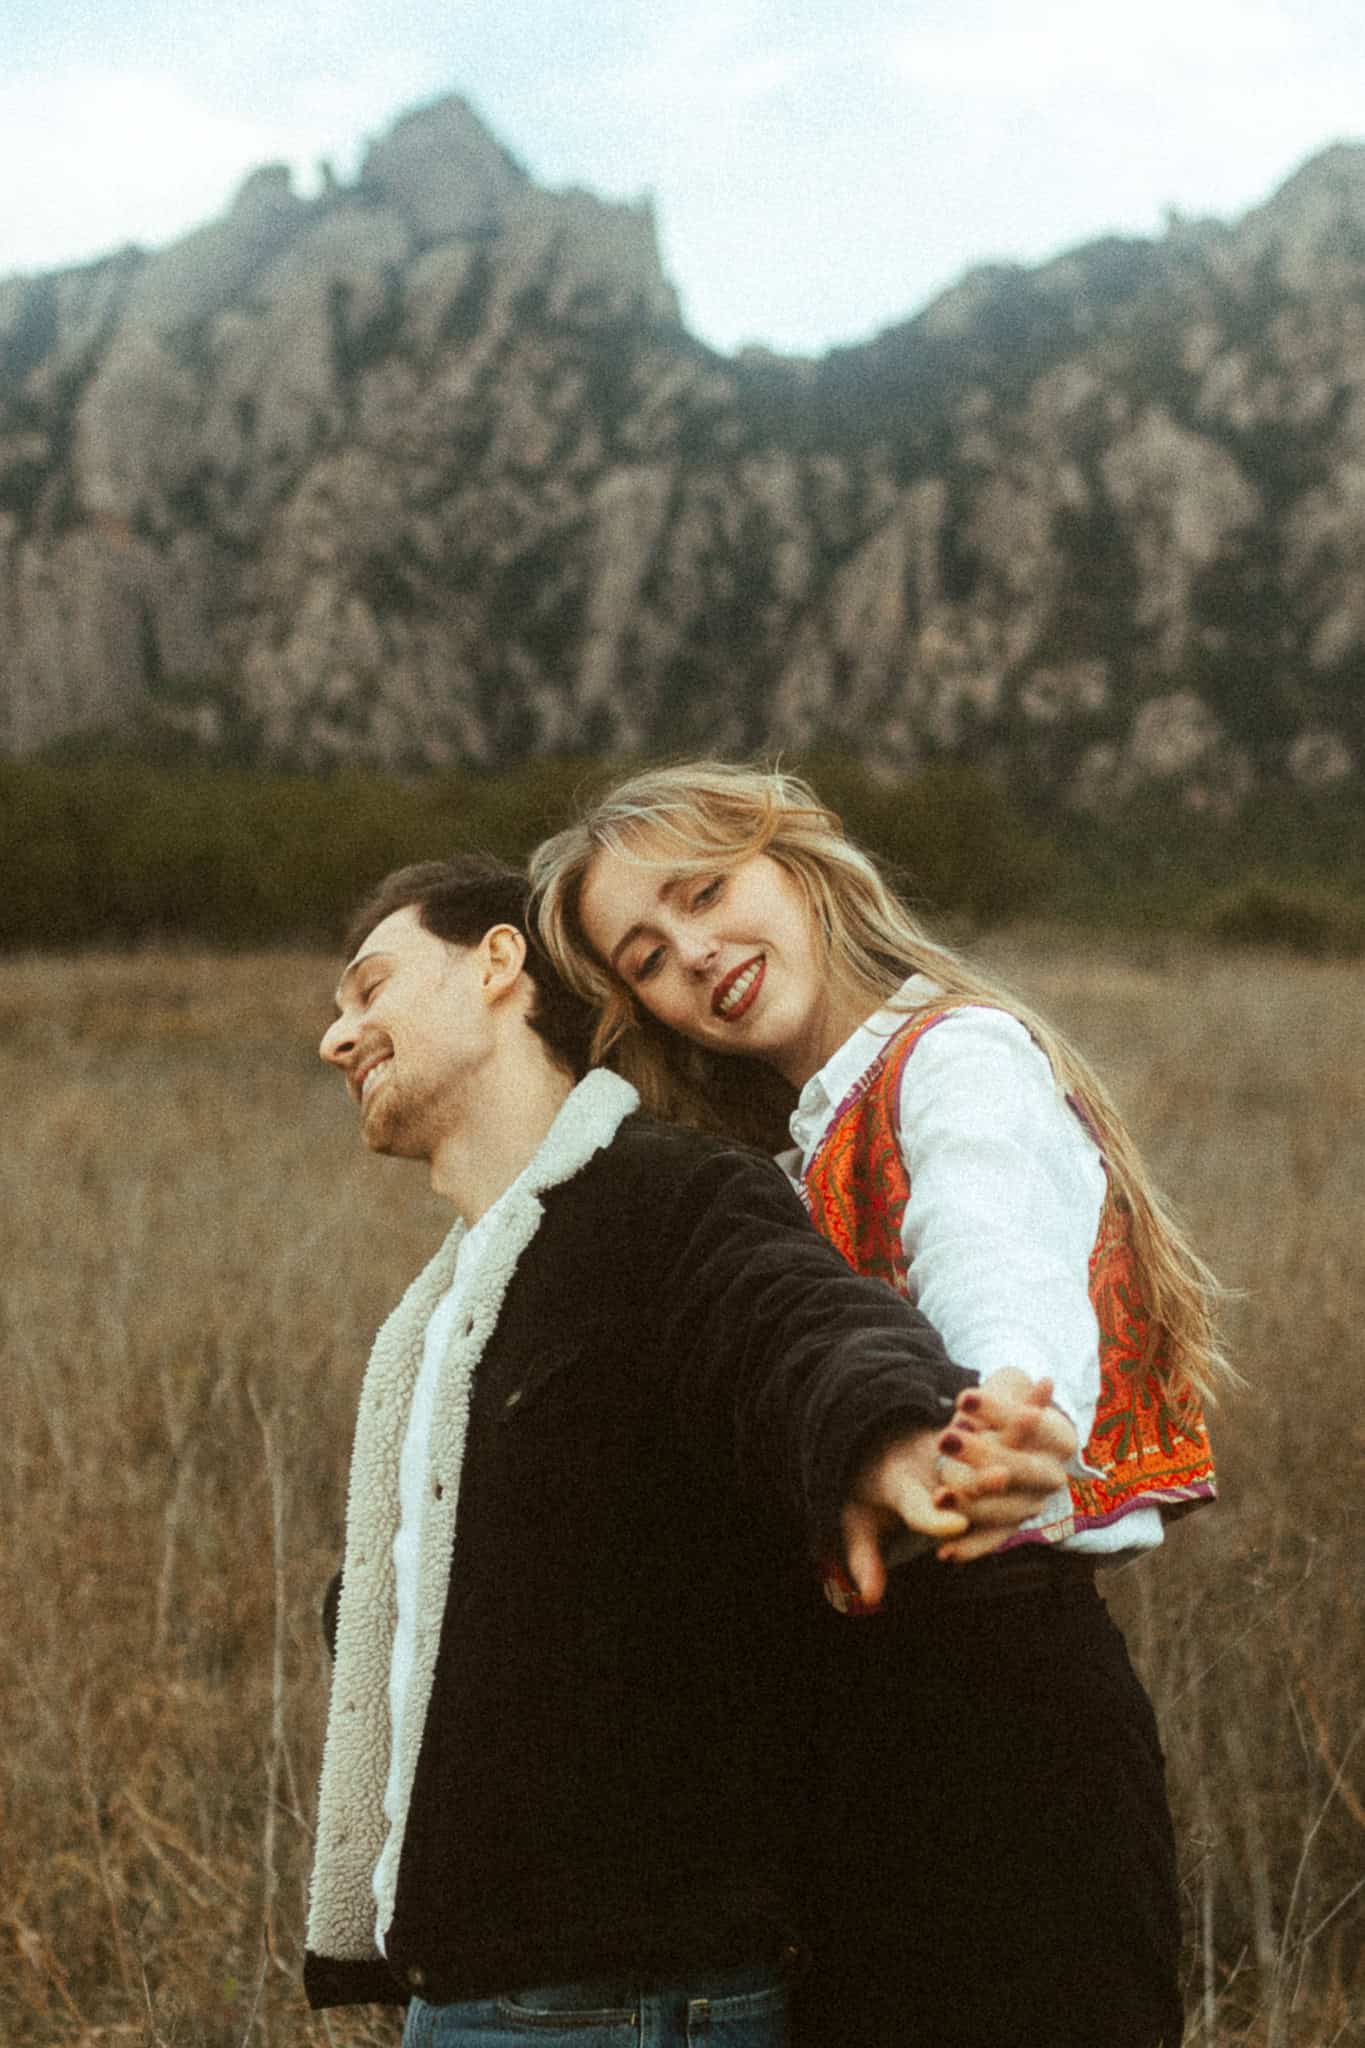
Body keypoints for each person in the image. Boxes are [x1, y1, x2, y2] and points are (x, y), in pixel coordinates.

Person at [302, 855, 1073, 2045]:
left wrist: (896, 1439)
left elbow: (797, 1322)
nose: (337, 1038)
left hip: (622, 1996)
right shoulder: (454, 1306)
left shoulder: (667, 1194)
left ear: (499, 963)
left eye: (370, 987)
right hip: (494, 1981)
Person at [530, 762, 1229, 2048]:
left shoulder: (953, 1056)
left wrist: (1000, 1413)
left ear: (798, 859)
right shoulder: (785, 1143)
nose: (696, 952)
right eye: (647, 952)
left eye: (706, 889)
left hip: (999, 1709)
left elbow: (992, 1252)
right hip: (865, 1722)